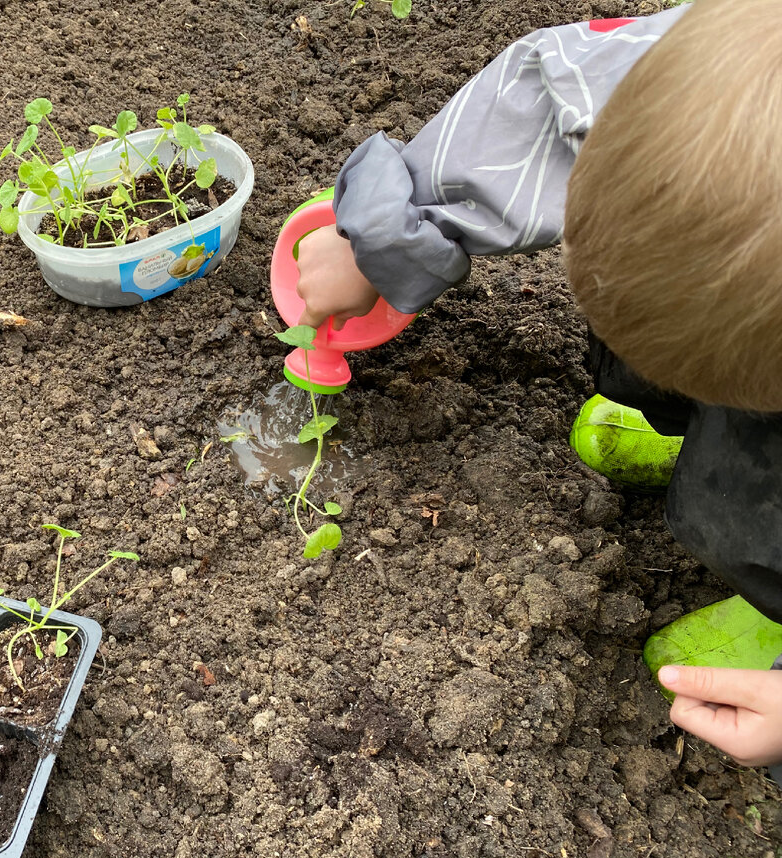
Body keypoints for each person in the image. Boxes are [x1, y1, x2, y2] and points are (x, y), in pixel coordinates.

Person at [294, 0, 782, 776]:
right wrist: (386, 232)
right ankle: (692, 413)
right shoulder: (716, 72)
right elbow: (545, 97)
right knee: (628, 361)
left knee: (744, 517)